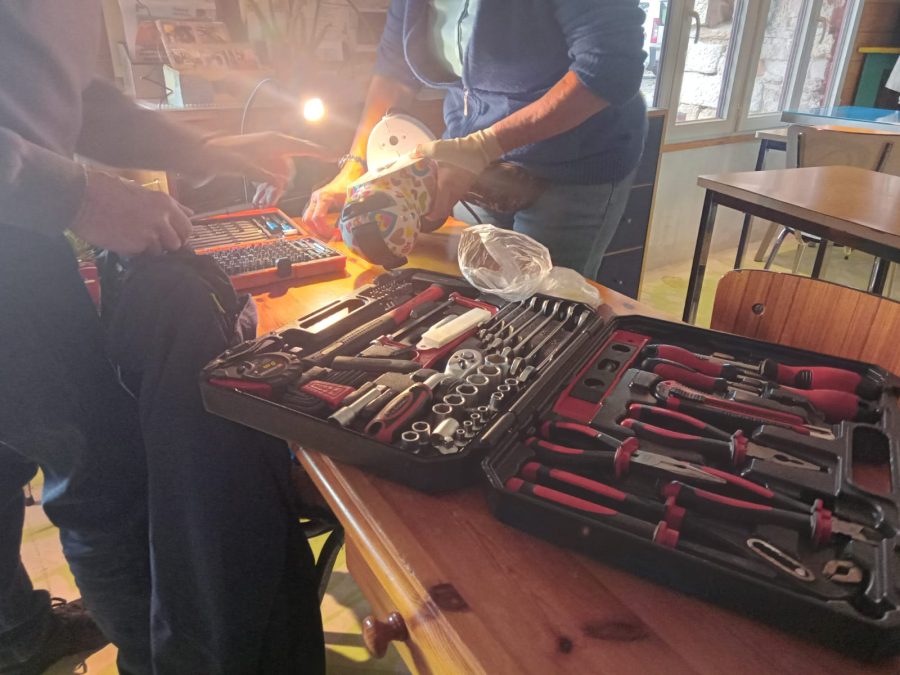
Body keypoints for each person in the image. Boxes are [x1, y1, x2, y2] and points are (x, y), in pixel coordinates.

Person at [0, 1, 329, 673]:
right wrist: (81, 197)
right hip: (14, 240)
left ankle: (17, 634)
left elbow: (61, 91)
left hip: (21, 223)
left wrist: (199, 151)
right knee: (102, 480)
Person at [303, 0, 648, 280]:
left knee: (542, 311)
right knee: (469, 293)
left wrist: (482, 146)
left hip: (573, 161)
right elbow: (394, 69)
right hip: (475, 160)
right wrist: (355, 164)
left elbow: (609, 69)